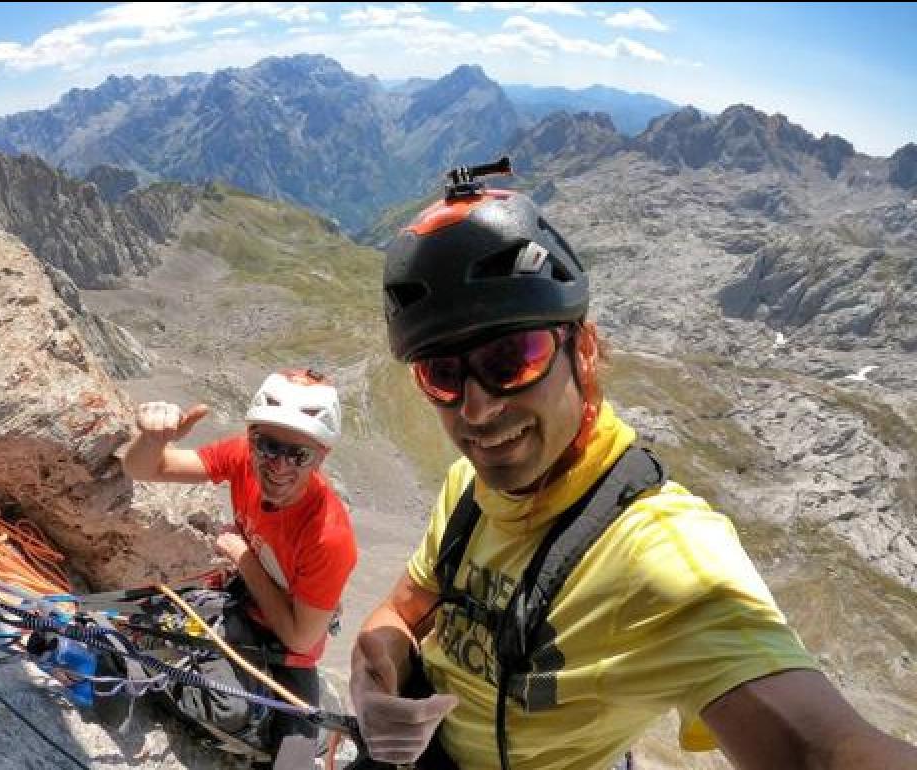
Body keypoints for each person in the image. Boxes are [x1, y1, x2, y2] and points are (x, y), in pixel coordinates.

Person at [348, 168, 917, 770]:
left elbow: (818, 750)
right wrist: (371, 675)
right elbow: (405, 610)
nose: (477, 407)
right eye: (441, 374)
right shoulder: (468, 490)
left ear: (584, 350)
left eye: (512, 358)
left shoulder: (659, 554)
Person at [122, 368, 359, 767]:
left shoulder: (328, 537)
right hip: (242, 603)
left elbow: (300, 641)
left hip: (286, 644)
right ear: (251, 438)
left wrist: (242, 557)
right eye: (267, 445)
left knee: (289, 757)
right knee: (227, 708)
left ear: (321, 456)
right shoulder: (242, 457)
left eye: (298, 455)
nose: (279, 465)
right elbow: (144, 469)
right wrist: (152, 440)